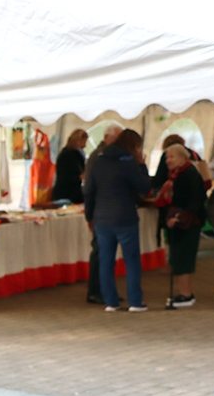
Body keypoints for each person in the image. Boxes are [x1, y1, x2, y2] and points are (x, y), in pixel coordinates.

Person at [84, 128, 150, 312]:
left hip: (102, 218)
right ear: (134, 146)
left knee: (106, 261)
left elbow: (88, 190)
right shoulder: (129, 162)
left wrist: (89, 216)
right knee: (132, 261)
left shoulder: (98, 160)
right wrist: (142, 165)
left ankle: (110, 302)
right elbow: (144, 187)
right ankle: (135, 302)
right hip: (125, 217)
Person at [155, 144, 207, 308]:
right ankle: (185, 292)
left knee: (183, 258)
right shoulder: (175, 175)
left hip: (187, 223)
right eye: (167, 157)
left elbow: (195, 200)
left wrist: (178, 217)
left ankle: (186, 294)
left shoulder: (190, 174)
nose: (168, 160)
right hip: (179, 222)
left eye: (172, 157)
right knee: (178, 257)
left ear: (183, 158)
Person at [82, 125, 123, 305]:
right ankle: (95, 290)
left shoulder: (112, 156)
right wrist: (89, 214)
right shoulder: (97, 157)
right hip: (100, 211)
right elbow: (89, 187)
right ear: (107, 138)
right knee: (100, 252)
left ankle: (106, 290)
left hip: (108, 210)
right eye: (117, 139)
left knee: (107, 253)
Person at [51, 129, 88, 204]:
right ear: (77, 141)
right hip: (65, 193)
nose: (85, 145)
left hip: (74, 192)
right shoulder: (65, 155)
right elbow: (63, 177)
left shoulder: (78, 154)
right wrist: (79, 177)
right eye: (83, 141)